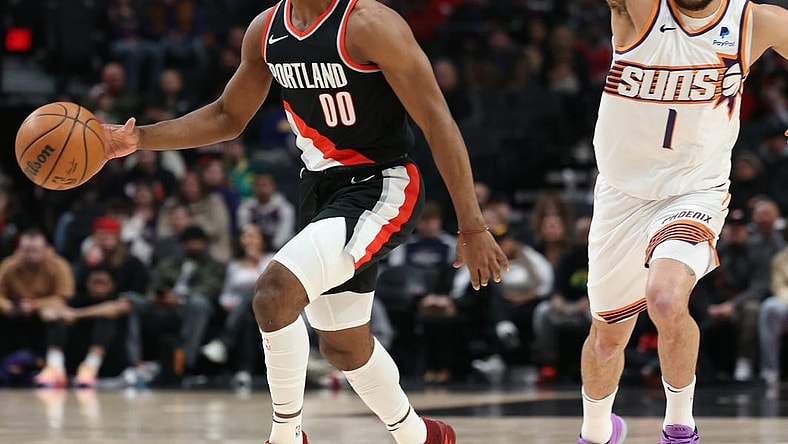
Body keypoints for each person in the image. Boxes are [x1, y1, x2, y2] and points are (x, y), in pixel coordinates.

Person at [103, 0, 508, 442]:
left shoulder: (369, 24)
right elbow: (227, 116)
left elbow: (437, 121)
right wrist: (140, 138)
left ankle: (287, 434)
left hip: (381, 185)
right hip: (319, 191)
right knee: (343, 345)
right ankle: (421, 436)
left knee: (273, 293)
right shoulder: (266, 29)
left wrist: (472, 224)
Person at [579, 0, 788, 443]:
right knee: (607, 339)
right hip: (622, 195)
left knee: (668, 298)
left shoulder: (755, 20)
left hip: (694, 190)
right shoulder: (639, 9)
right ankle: (597, 430)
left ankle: (680, 428)